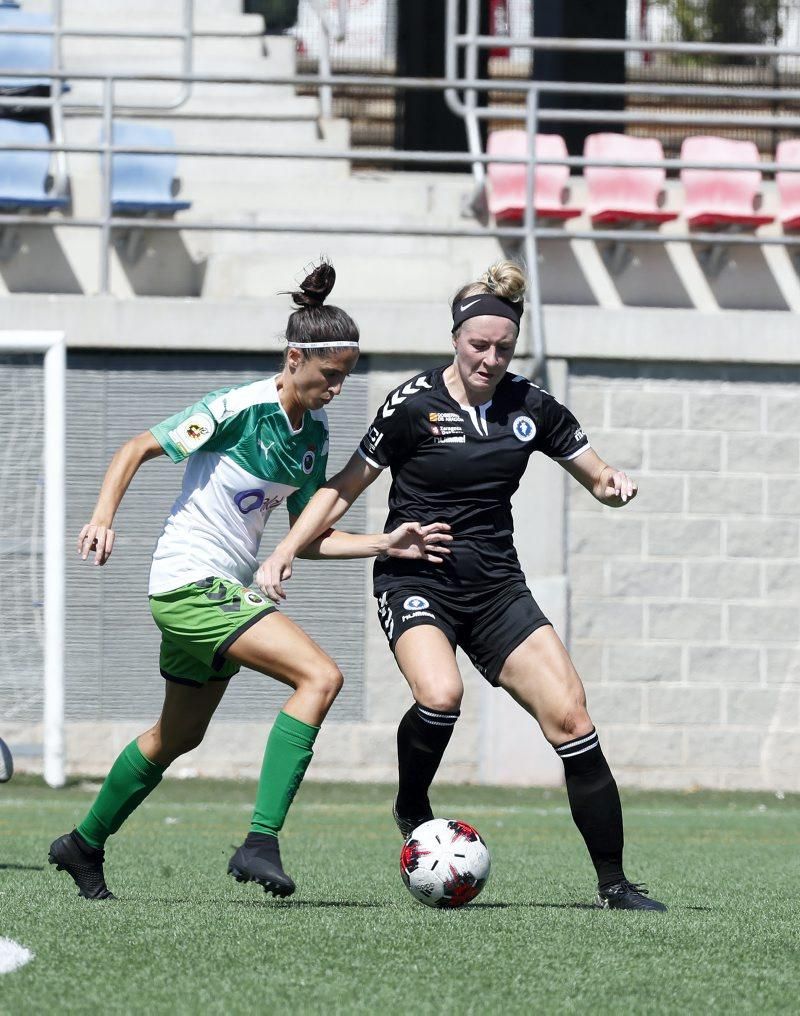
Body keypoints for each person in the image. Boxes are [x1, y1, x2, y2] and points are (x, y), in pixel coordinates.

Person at [258, 259, 667, 912]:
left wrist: (613, 487)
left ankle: (615, 884)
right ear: (456, 338)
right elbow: (341, 488)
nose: (491, 358)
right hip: (415, 578)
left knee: (573, 719)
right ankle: (411, 802)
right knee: (441, 694)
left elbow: (595, 473)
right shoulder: (412, 405)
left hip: (497, 588)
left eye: (503, 348)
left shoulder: (531, 406)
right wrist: (285, 547)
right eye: (480, 345)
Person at [48, 261, 450, 901]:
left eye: (345, 379)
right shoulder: (238, 408)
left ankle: (83, 843)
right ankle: (259, 842)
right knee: (320, 676)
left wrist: (385, 542)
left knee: (176, 737)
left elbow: (309, 538)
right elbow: (135, 448)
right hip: (189, 583)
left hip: (218, 593)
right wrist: (102, 517)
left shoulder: (313, 433)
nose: (337, 391)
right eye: (330, 377)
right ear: (295, 359)